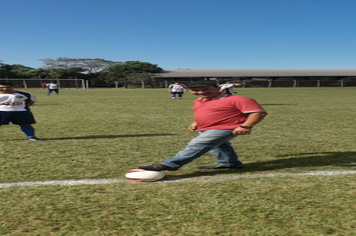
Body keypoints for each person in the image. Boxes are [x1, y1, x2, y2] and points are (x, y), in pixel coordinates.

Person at [138, 80, 267, 171]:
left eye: (205, 89)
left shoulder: (237, 99)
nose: (200, 92)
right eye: (195, 90)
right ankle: (229, 163)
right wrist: (196, 122)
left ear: (218, 88)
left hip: (226, 127)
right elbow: (202, 112)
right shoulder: (199, 101)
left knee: (197, 144)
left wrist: (246, 126)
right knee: (219, 146)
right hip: (205, 127)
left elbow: (259, 113)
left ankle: (171, 164)